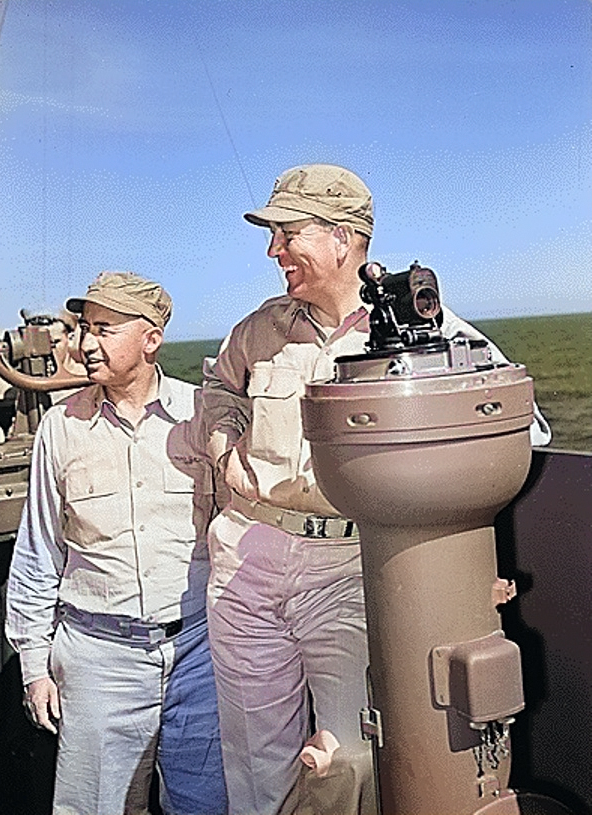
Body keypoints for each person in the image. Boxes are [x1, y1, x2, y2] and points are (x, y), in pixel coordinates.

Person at [202, 163, 551, 815]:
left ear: (342, 237)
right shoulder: (260, 327)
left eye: (287, 233)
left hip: (347, 567)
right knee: (255, 763)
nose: (273, 250)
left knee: (353, 753)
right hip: (246, 562)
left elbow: (521, 424)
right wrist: (223, 439)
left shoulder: (423, 328)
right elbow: (219, 388)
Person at [6, 271, 228, 815]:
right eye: (85, 328)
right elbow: (38, 552)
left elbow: (237, 532)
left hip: (199, 656)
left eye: (105, 329)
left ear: (151, 339)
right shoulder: (61, 427)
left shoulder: (201, 416)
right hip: (99, 660)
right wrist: (35, 664)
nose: (85, 344)